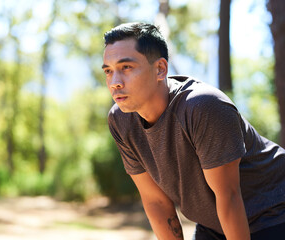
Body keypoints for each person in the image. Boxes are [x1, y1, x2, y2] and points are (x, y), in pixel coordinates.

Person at [101, 22, 285, 240]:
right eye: (108, 71)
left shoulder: (202, 106)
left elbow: (229, 196)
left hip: (274, 212)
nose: (115, 82)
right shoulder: (121, 120)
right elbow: (156, 202)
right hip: (214, 223)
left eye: (126, 68)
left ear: (160, 69)